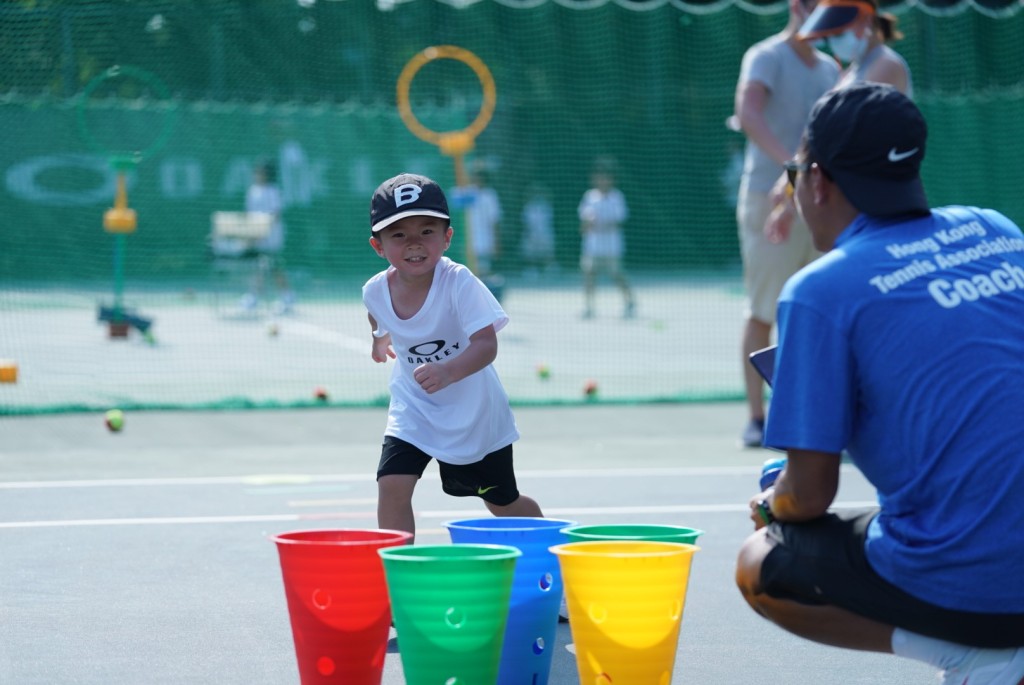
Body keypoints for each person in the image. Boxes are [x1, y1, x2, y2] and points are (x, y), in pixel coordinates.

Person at [735, 83, 1024, 684]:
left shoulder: (819, 291)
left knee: (763, 565)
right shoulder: (994, 229)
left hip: (987, 581)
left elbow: (808, 497)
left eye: (793, 172)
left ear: (816, 181)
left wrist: (771, 504)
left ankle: (975, 652)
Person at [362, 172, 544, 542]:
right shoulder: (374, 290)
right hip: (414, 406)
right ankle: (400, 576)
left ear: (447, 237)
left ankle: (548, 541)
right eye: (399, 234)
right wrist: (379, 339)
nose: (414, 243)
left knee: (502, 502)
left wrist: (448, 371)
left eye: (426, 231)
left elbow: (486, 345)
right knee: (392, 484)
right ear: (378, 247)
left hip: (472, 412)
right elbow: (376, 313)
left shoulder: (459, 282)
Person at [733, 0, 841, 447]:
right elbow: (748, 112)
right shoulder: (766, 56)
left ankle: (812, 415)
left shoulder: (832, 69)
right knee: (764, 309)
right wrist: (791, 169)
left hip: (822, 202)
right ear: (797, 6)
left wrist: (807, 180)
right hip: (767, 196)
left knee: (818, 311)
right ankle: (757, 419)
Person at [798, 0, 913, 97]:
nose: (833, 41)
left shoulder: (885, 64)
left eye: (839, 33)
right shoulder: (855, 68)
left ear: (867, 20)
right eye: (829, 35)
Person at [578, 160, 635, 319]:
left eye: (606, 177)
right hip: (592, 245)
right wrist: (588, 223)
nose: (603, 181)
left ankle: (629, 301)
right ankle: (588, 307)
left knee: (617, 274)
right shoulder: (589, 196)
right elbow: (583, 223)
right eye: (599, 177)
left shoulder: (617, 197)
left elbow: (619, 220)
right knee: (589, 274)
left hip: (611, 246)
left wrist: (602, 222)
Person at [239, 160, 295, 315]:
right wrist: (250, 235)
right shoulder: (252, 191)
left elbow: (275, 215)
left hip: (272, 237)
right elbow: (249, 215)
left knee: (274, 267)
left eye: (260, 172)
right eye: (256, 171)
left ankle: (287, 296)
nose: (257, 175)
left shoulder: (273, 191)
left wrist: (262, 232)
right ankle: (254, 297)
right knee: (259, 266)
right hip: (256, 236)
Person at [463, 166, 502, 277]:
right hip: (469, 238)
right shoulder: (466, 193)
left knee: (484, 269)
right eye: (474, 177)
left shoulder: (490, 195)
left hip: (486, 238)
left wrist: (496, 241)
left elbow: (495, 220)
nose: (477, 180)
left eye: (479, 177)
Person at [520, 183, 558, 279]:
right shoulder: (528, 207)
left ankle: (549, 269)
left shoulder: (545, 206)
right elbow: (526, 223)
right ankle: (532, 269)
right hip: (532, 234)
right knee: (531, 253)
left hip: (545, 233)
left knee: (547, 253)